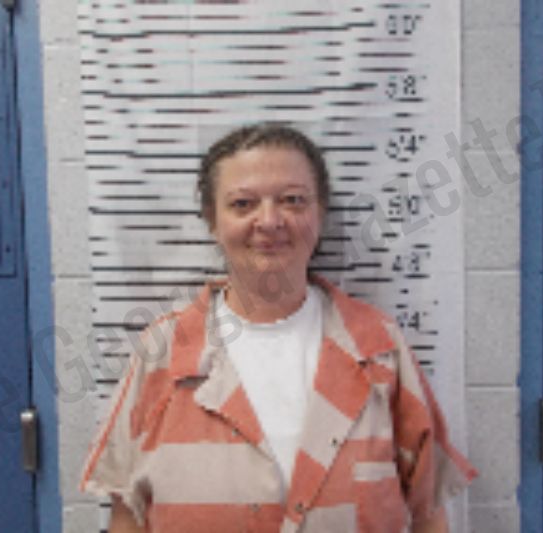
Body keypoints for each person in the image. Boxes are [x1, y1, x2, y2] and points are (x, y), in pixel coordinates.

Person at [80, 123, 477, 532]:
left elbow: (428, 511)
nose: (269, 221)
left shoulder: (377, 344)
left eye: (293, 200)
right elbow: (127, 515)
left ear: (320, 213)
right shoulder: (163, 351)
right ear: (212, 221)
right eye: (242, 204)